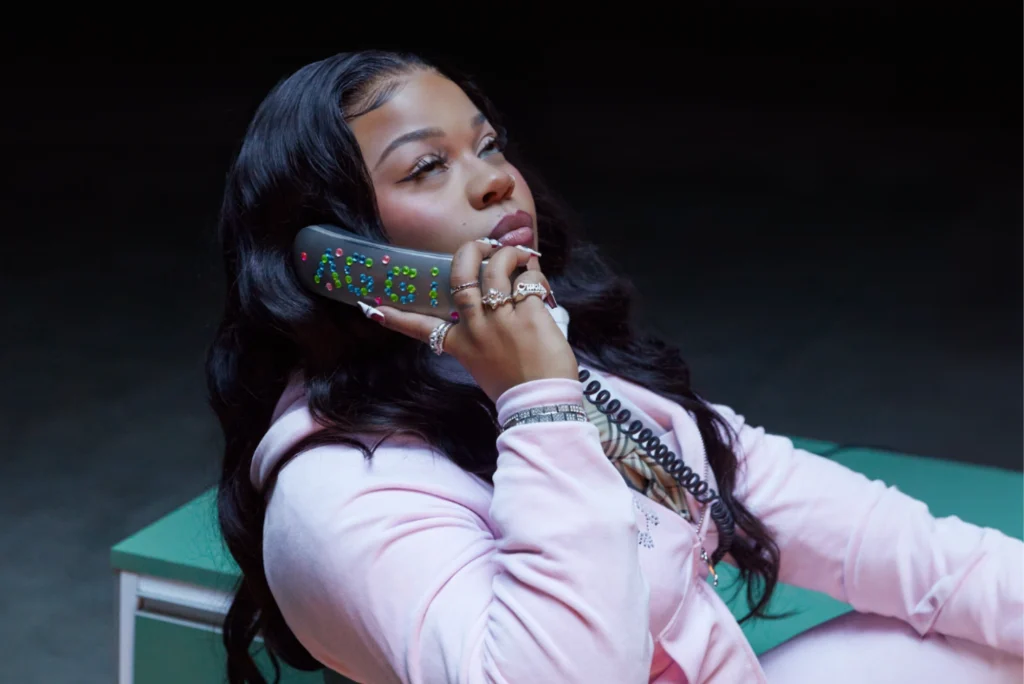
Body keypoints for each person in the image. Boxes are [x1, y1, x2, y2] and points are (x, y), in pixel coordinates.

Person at [206, 51, 1023, 684]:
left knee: (986, 631)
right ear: (337, 252)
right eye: (427, 167)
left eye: (487, 146)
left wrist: (545, 383)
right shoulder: (343, 496)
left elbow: (909, 552)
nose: (494, 181)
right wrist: (537, 403)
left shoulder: (565, 375)